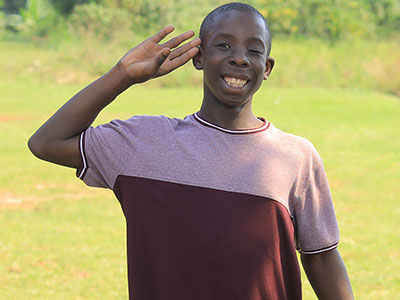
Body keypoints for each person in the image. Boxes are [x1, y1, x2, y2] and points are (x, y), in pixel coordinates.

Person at [28, 2, 354, 300]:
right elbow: (46, 143)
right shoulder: (142, 142)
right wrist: (123, 74)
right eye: (223, 45)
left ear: (266, 67)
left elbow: (322, 258)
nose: (239, 57)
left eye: (253, 50)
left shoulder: (295, 156)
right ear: (198, 57)